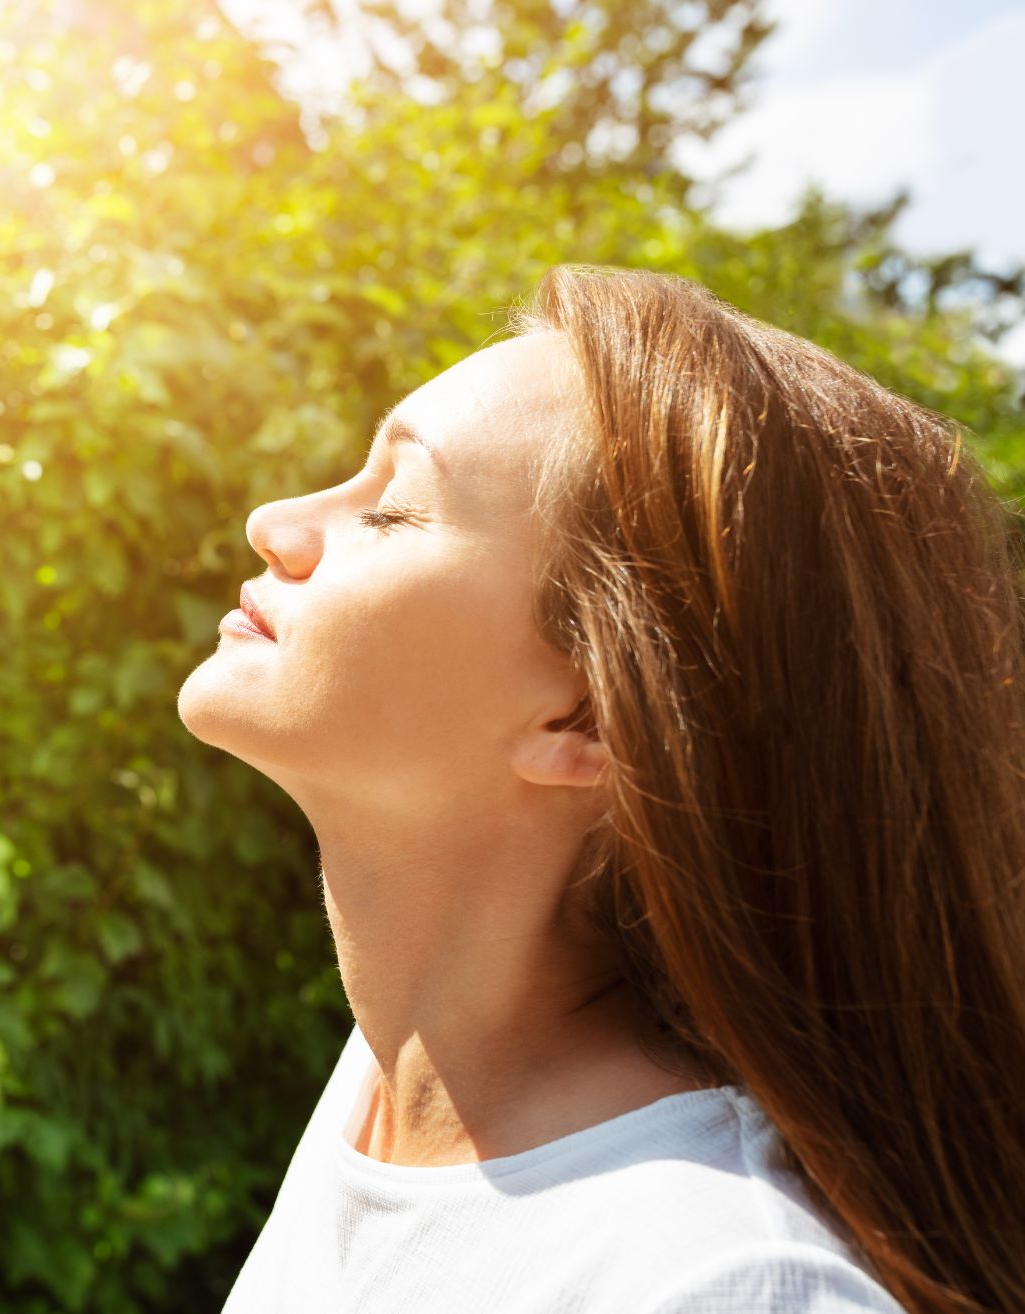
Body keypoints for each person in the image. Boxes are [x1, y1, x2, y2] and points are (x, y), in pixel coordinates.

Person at [176, 265, 1025, 1313]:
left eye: (393, 510)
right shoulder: (406, 1076)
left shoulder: (725, 1285)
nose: (277, 520)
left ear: (586, 719)